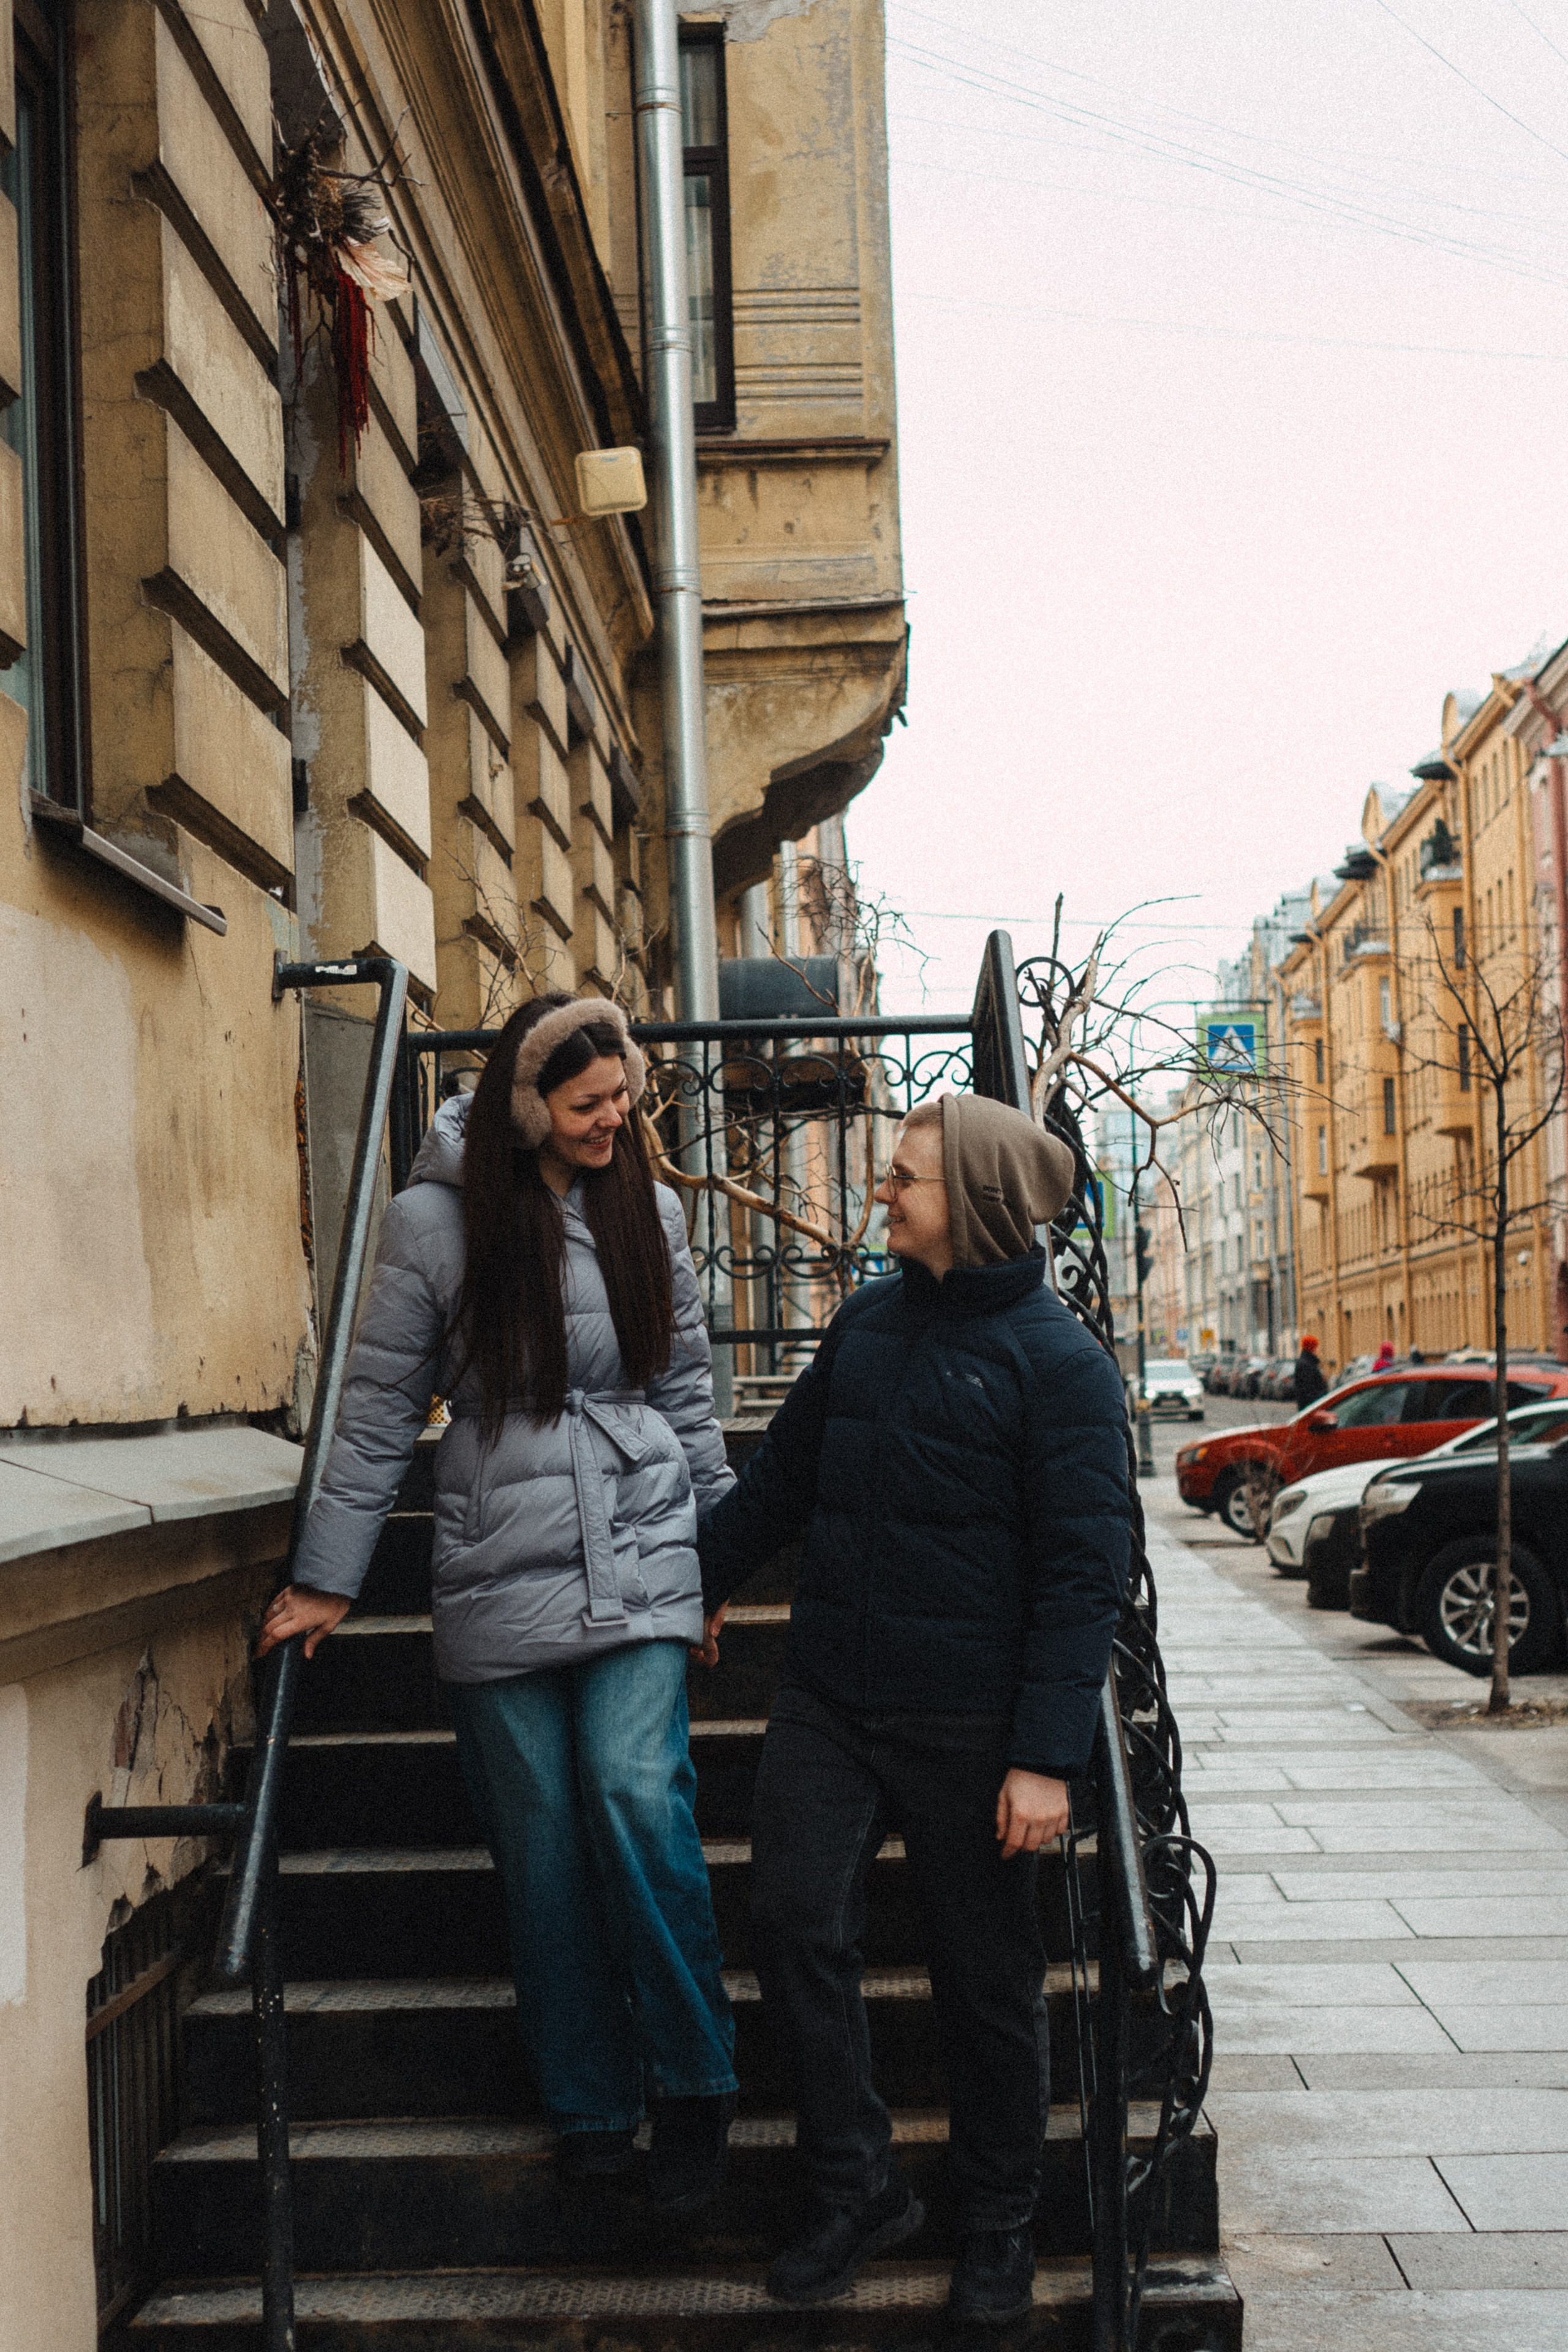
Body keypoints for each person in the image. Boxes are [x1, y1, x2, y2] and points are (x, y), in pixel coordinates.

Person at [256, 993, 739, 2207]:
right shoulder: (432, 1221)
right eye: (588, 1105)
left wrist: (719, 1559)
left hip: (637, 1544)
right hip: (491, 1556)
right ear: (524, 1107)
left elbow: (685, 1388)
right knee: (537, 1850)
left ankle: (692, 2081)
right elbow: (375, 1407)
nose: (614, 1121)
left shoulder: (650, 1206)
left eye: (623, 1098)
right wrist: (327, 1577)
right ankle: (589, 2106)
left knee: (634, 1798)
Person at [697, 1093, 1131, 2324]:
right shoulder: (866, 1324)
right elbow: (778, 1481)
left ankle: (996, 2220)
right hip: (832, 1697)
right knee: (788, 1919)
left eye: (903, 1179)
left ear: (977, 1207)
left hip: (974, 1724)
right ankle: (855, 2188)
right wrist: (690, 1589)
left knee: (985, 1981)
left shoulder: (1060, 1366)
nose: (879, 1192)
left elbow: (1080, 1575)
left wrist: (1043, 1760)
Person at [1291, 1333, 1329, 1408]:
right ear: (1312, 1348)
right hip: (1312, 1406)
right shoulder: (1307, 1365)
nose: (1318, 1349)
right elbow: (1308, 1389)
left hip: (1312, 1404)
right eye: (1317, 1347)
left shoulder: (1309, 1363)